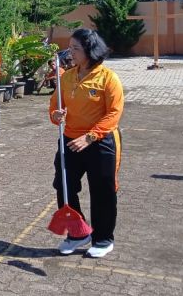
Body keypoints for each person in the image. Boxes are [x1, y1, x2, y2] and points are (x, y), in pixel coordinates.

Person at [49, 29, 124, 259]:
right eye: (69, 47)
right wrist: (56, 116)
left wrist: (90, 137)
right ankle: (77, 233)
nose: (69, 52)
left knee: (102, 190)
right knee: (64, 185)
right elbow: (54, 105)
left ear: (90, 51)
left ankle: (103, 238)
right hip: (70, 139)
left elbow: (114, 113)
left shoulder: (108, 78)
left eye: (75, 49)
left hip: (100, 142)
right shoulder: (67, 76)